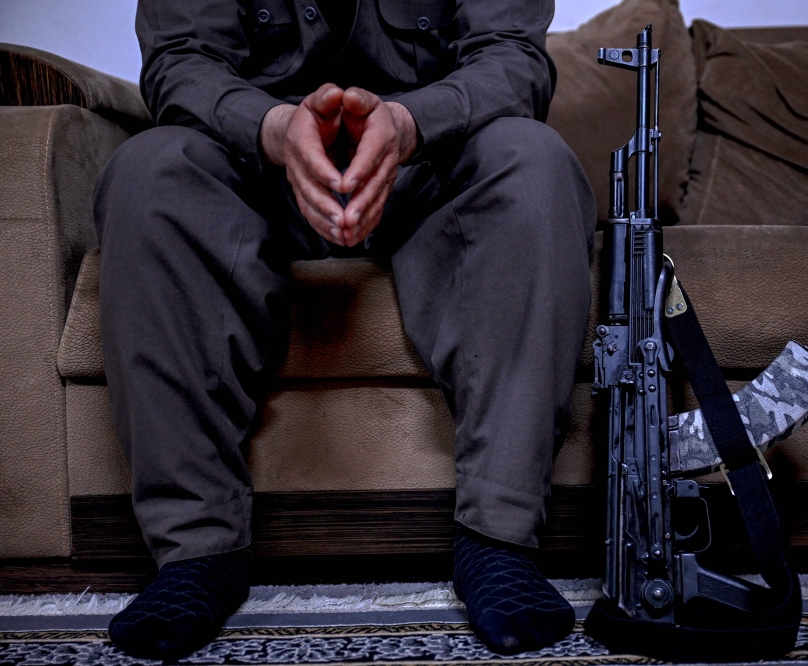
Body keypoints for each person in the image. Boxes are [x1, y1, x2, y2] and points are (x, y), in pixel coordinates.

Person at [95, 0, 596, 659]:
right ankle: (197, 548)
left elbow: (513, 59)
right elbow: (181, 61)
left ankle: (499, 540)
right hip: (254, 173)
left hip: (432, 172)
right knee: (147, 170)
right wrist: (274, 128)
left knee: (534, 159)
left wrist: (409, 123)